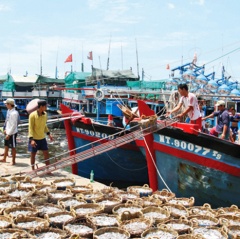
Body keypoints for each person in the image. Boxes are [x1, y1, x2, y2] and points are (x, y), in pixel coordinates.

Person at [28, 100, 53, 170]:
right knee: (33, 154)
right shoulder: (32, 115)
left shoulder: (45, 114)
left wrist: (49, 134)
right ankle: (33, 169)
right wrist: (31, 140)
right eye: (45, 106)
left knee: (46, 153)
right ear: (41, 107)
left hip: (42, 138)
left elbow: (44, 125)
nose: (46, 108)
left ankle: (48, 169)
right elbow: (30, 128)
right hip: (34, 138)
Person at [0, 98, 19, 165]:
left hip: (12, 132)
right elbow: (7, 121)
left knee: (13, 147)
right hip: (7, 130)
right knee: (6, 145)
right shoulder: (9, 111)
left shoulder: (14, 113)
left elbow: (14, 125)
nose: (5, 105)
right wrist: (5, 129)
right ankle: (4, 158)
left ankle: (13, 161)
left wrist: (9, 134)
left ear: (9, 104)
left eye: (6, 104)